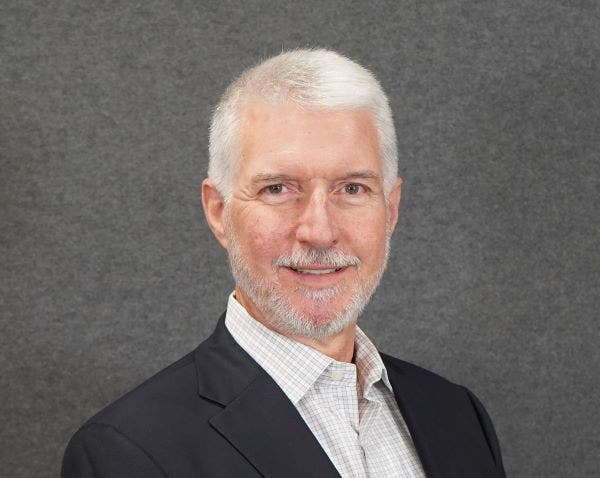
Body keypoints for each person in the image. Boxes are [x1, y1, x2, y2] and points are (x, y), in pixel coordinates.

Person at [62, 49, 506, 478]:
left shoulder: (456, 414)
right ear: (219, 211)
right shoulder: (129, 453)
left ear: (390, 209)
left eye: (352, 189)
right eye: (277, 189)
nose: (320, 231)